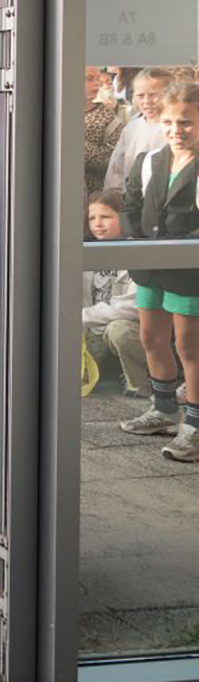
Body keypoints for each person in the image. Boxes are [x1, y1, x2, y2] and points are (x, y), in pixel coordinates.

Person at [118, 82, 199, 462]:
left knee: (189, 347)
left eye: (186, 122)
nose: (176, 130)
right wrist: (136, 238)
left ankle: (195, 427)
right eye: (168, 121)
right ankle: (164, 409)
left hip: (188, 270)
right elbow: (130, 202)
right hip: (151, 265)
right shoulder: (151, 160)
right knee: (152, 336)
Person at [82, 190, 148, 398]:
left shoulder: (136, 252)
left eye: (106, 217)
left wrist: (82, 318)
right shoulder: (85, 252)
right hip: (91, 332)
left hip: (122, 331)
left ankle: (142, 384)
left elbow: (132, 307)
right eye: (92, 218)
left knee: (119, 330)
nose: (98, 224)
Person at [103, 67, 174, 192]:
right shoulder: (131, 127)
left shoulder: (176, 129)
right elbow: (117, 168)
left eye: (153, 95)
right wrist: (112, 194)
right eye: (141, 96)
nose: (147, 101)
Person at [83, 66, 125, 202]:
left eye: (98, 79)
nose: (96, 84)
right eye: (89, 79)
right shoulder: (57, 114)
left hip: (93, 198)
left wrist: (74, 144)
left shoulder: (108, 118)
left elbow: (112, 160)